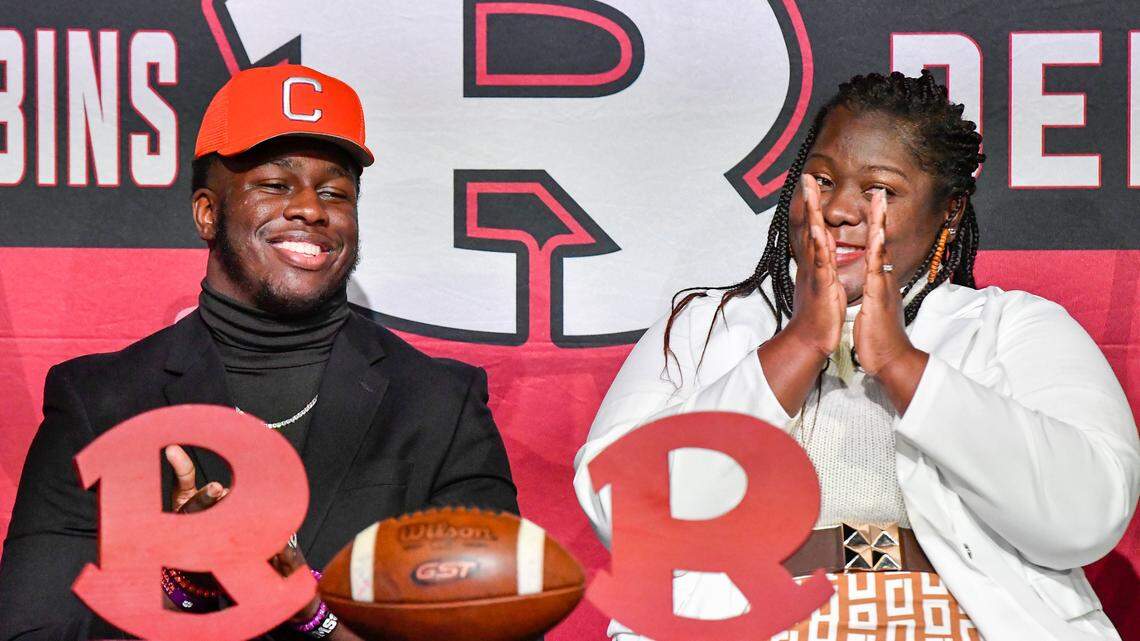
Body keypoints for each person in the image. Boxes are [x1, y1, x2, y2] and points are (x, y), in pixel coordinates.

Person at [573, 71, 1140, 640]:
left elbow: (1087, 516)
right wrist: (795, 348)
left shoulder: (1013, 328)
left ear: (950, 210)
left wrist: (901, 365)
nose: (839, 208)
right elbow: (623, 515)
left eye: (882, 191)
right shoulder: (702, 325)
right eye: (821, 178)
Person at [0, 64, 518, 640]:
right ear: (207, 213)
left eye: (334, 192)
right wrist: (184, 588)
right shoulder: (104, 404)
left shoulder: (438, 405)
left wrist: (308, 612)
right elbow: (33, 631)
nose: (310, 209)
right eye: (275, 184)